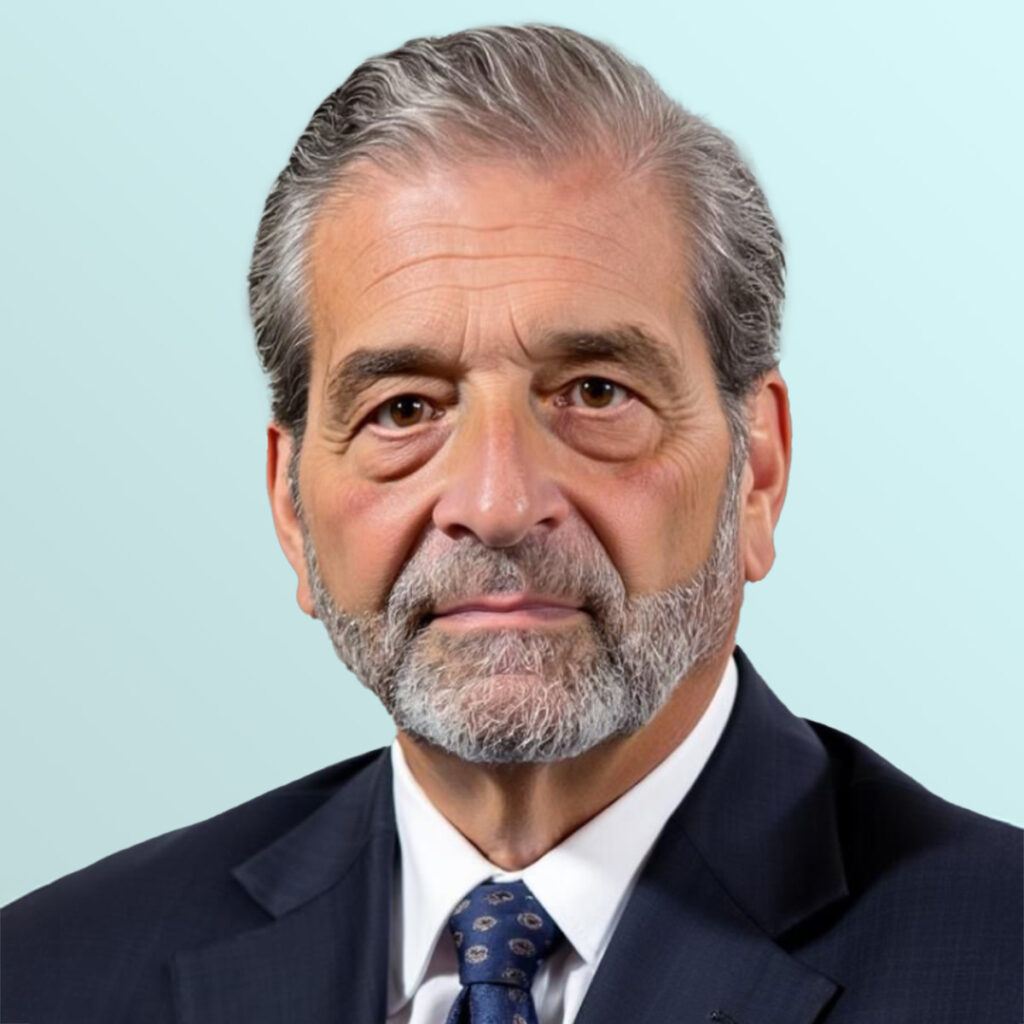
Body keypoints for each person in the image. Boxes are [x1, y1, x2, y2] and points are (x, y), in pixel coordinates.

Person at [2, 24, 1019, 1024]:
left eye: (594, 390)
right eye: (403, 408)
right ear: (289, 505)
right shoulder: (48, 976)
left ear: (755, 470)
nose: (494, 503)